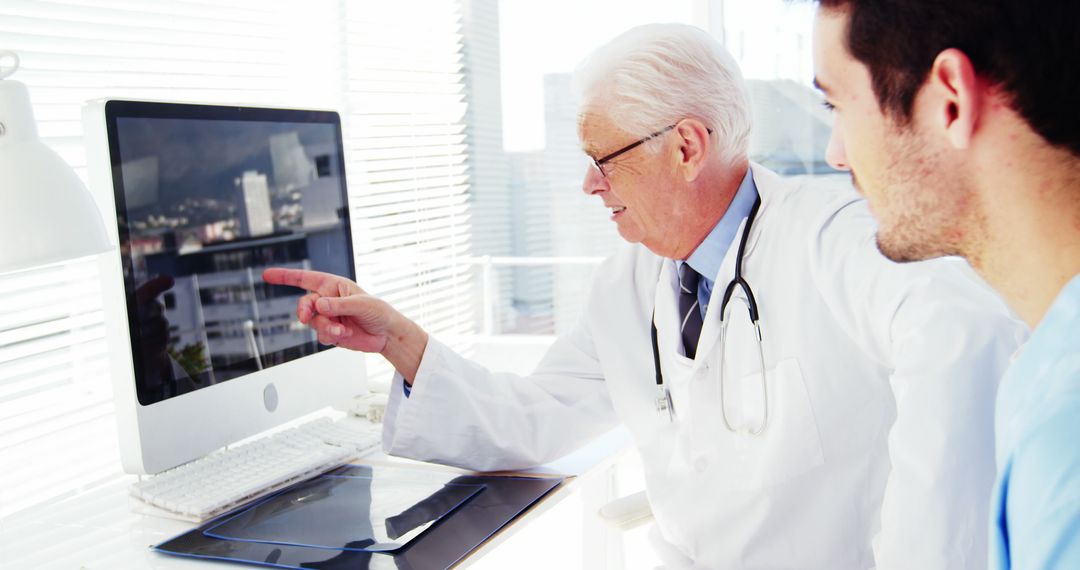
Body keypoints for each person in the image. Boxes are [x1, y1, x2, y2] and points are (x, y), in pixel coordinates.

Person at [265, 23, 1026, 569]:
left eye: (603, 158)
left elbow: (966, 330)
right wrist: (399, 338)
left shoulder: (832, 237)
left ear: (687, 146)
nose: (590, 183)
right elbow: (536, 420)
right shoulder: (629, 286)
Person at [809, 2, 1080, 568]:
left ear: (950, 100)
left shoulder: (1066, 442)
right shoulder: (1045, 370)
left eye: (836, 104)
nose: (835, 155)